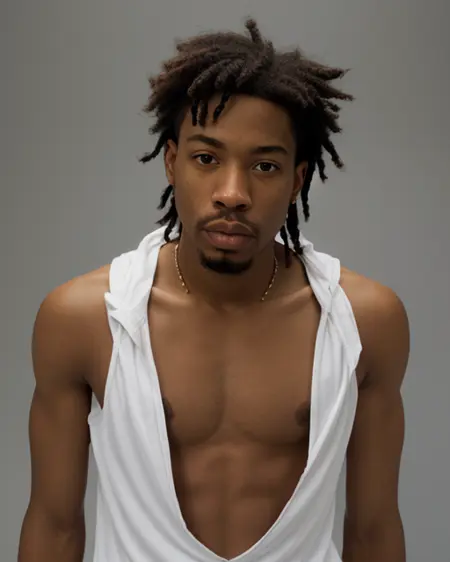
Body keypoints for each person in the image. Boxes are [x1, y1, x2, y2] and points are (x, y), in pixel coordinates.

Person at [18, 18, 409, 562]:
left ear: (296, 180)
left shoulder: (365, 321)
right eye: (206, 158)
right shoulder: (85, 319)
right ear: (172, 162)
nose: (232, 193)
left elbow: (373, 530)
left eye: (265, 166)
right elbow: (54, 526)